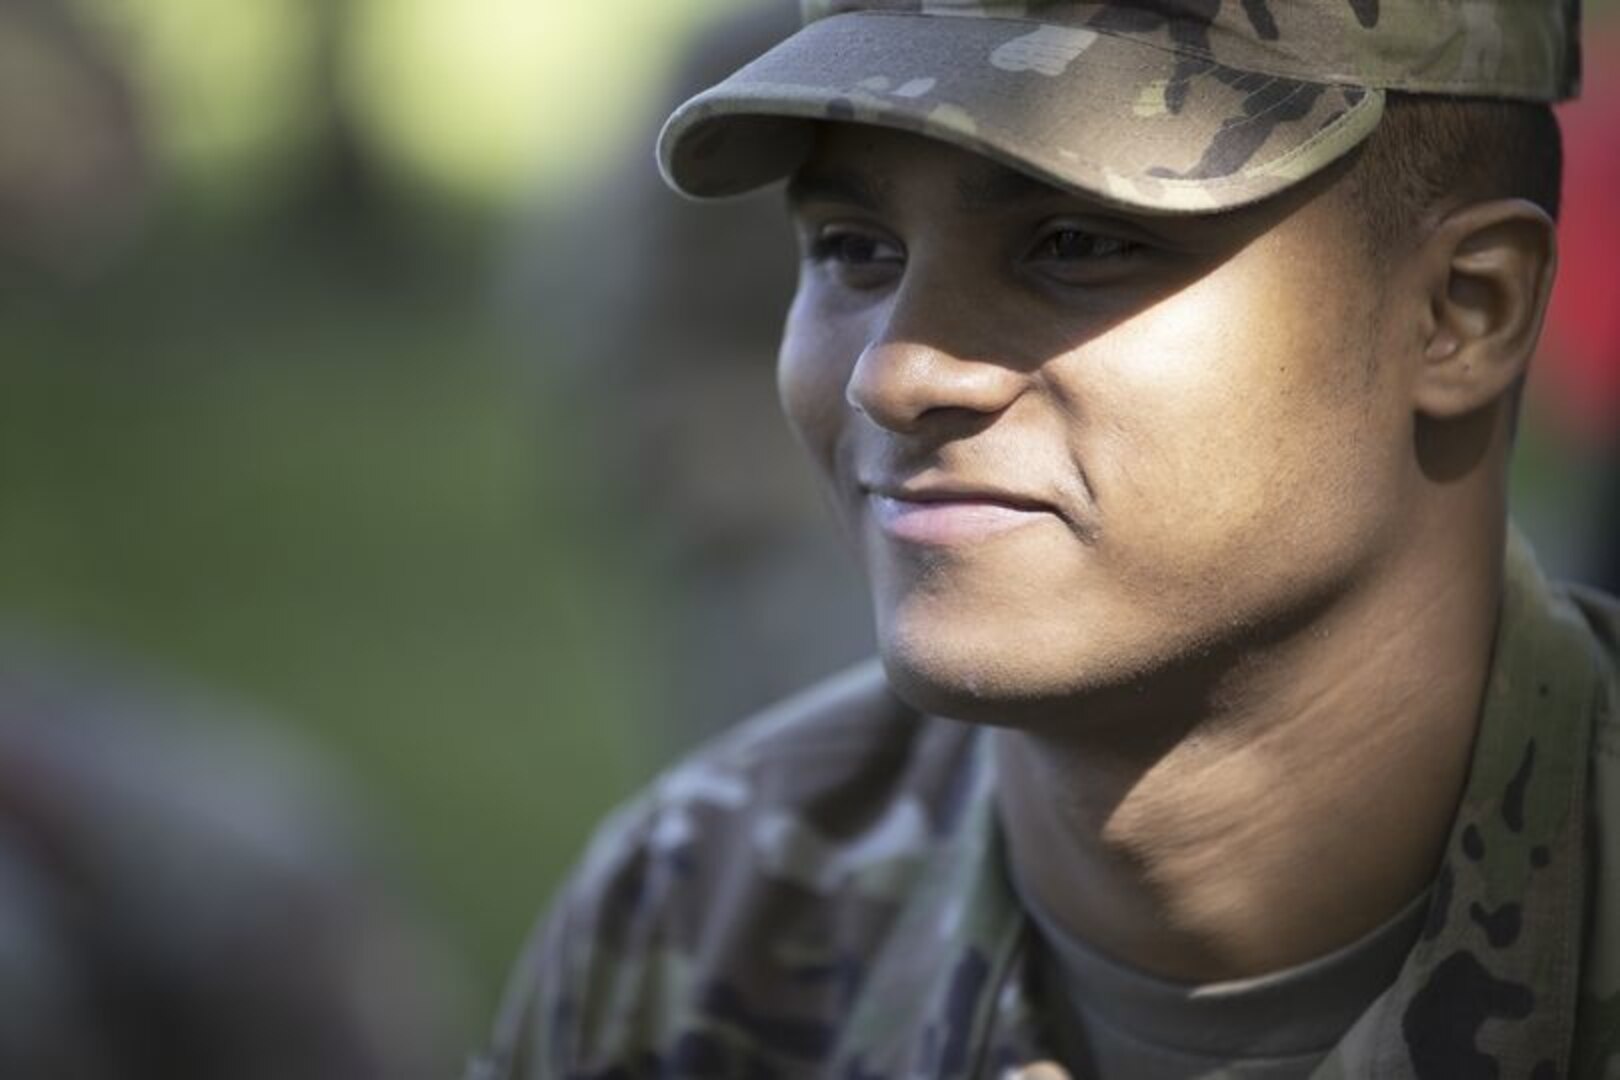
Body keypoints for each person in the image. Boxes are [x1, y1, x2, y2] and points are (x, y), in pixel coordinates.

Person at [470, 1, 1619, 1076]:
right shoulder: (694, 919)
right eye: (852, 248)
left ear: (1464, 313)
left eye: (1074, 243)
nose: (898, 371)